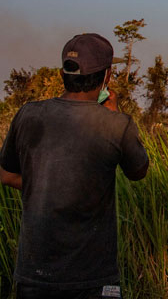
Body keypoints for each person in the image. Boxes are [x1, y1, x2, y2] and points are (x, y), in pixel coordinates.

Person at [0, 33, 149, 299]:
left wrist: (44, 183)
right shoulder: (116, 124)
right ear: (107, 77)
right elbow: (138, 171)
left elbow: (7, 173)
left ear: (63, 74)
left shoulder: (28, 114)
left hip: (35, 274)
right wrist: (114, 112)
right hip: (93, 276)